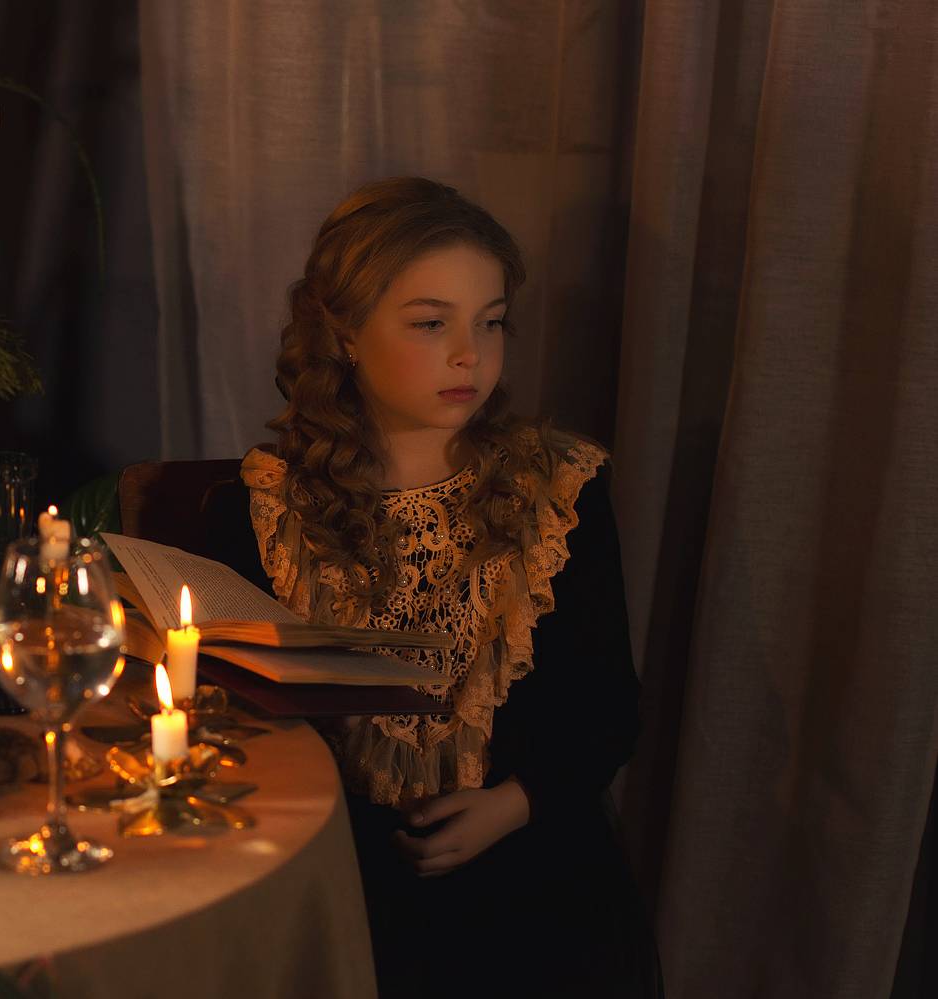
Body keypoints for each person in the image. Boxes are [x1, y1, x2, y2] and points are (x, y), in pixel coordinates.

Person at [204, 177, 662, 997]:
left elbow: (605, 705)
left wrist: (514, 803)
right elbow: (238, 713)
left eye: (491, 322)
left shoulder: (557, 490)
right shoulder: (268, 506)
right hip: (341, 880)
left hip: (533, 880)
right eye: (429, 323)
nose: (469, 355)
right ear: (345, 331)